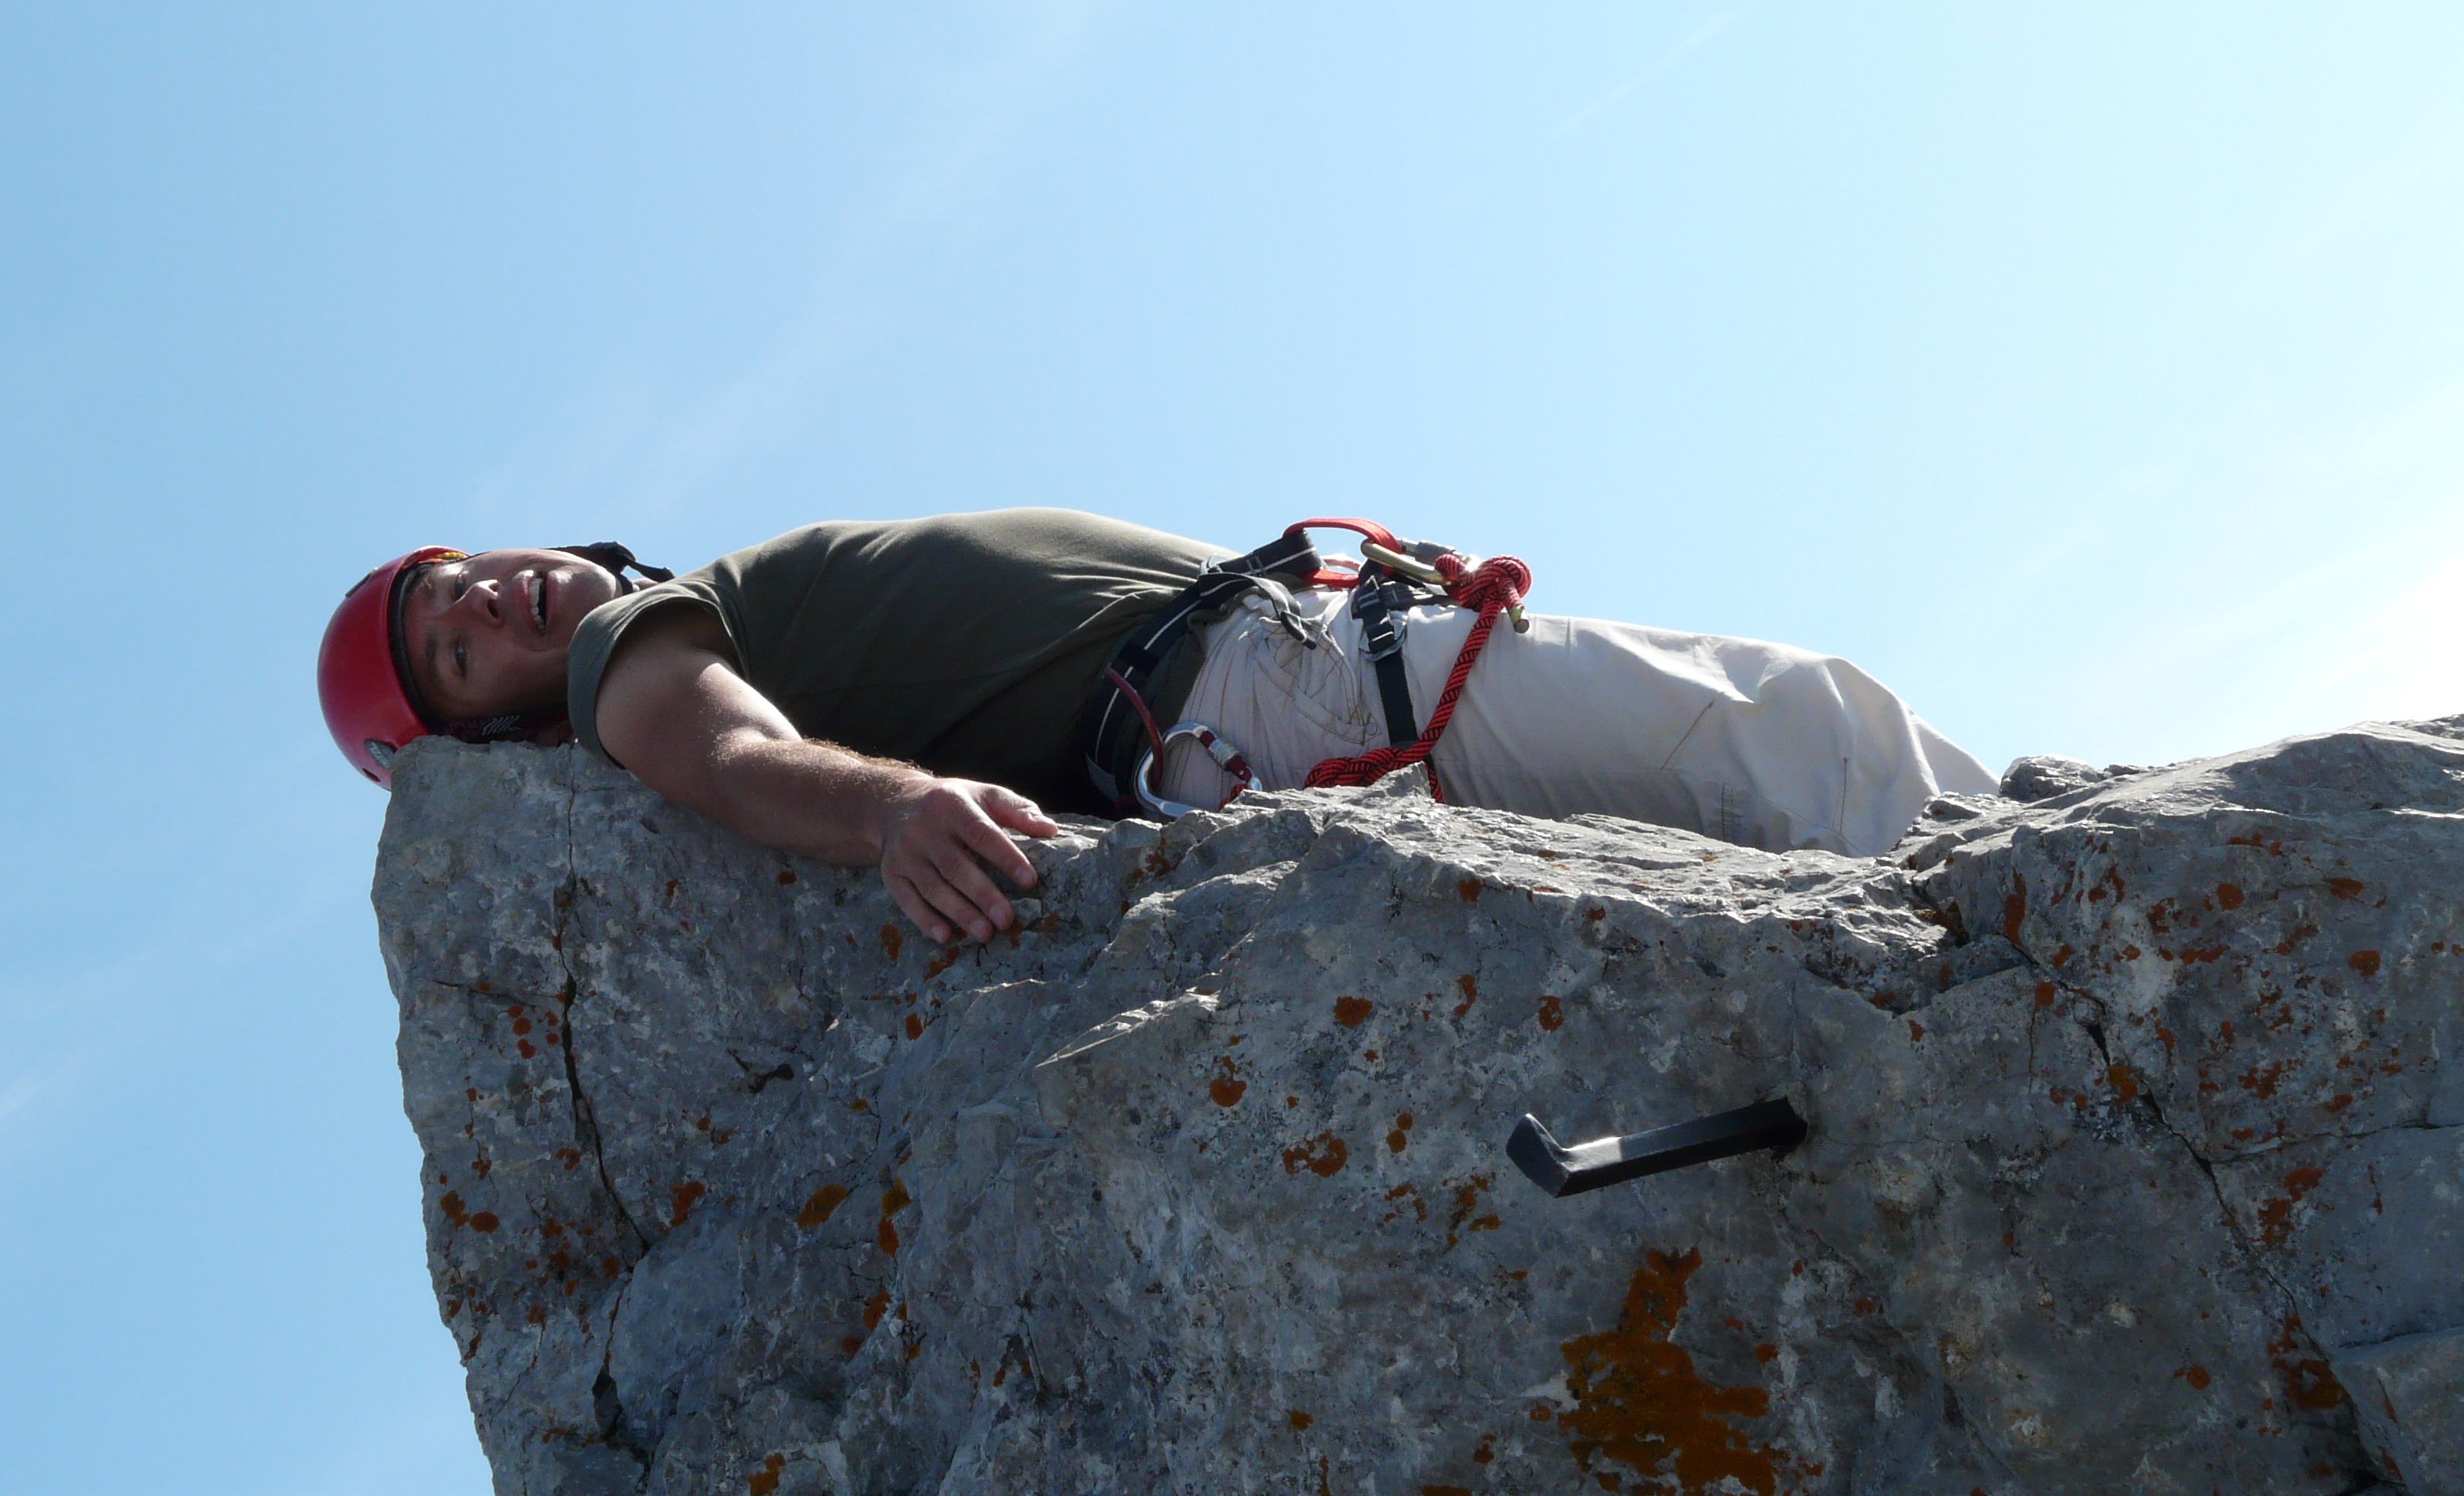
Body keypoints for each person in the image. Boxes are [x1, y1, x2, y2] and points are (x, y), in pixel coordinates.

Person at [317, 509, 1992, 947]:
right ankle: (2068, 907)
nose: (487, 605)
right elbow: (727, 758)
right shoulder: (629, 661)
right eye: (455, 651)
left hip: (1276, 681)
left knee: (1772, 763)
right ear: (498, 742)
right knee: (1792, 734)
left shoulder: (683, 612)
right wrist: (895, 814)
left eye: (457, 580)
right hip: (1275, 694)